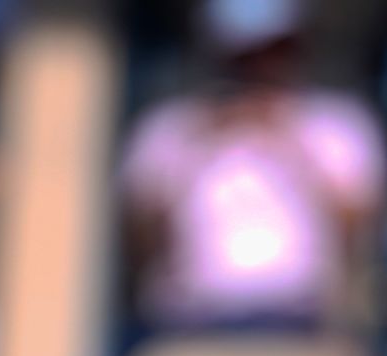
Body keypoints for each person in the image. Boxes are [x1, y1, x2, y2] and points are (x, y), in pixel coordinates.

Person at [120, 0, 384, 334]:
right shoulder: (170, 126)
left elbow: (359, 231)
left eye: (274, 50)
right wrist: (200, 145)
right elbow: (140, 237)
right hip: (189, 319)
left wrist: (288, 144)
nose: (260, 68)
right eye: (244, 57)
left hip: (304, 319)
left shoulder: (336, 123)